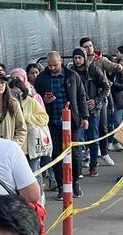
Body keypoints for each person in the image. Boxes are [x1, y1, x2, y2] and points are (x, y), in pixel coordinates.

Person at [34, 52, 88, 199]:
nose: (52, 68)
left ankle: (75, 182)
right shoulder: (41, 79)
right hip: (53, 123)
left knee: (76, 154)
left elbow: (81, 96)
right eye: (49, 65)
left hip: (73, 121)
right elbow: (35, 101)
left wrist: (85, 117)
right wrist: (44, 100)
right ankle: (61, 186)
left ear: (61, 61)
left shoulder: (72, 75)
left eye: (55, 65)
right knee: (57, 155)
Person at [8, 70, 52, 194]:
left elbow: (44, 118)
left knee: (34, 173)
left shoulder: (31, 101)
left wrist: (26, 117)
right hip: (16, 145)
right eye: (13, 92)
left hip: (31, 145)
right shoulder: (8, 104)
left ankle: (38, 198)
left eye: (18, 92)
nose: (16, 95)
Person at [69, 48, 111, 176]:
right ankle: (79, 169)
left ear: (84, 58)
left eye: (79, 58)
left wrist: (96, 100)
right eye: (75, 58)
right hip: (77, 111)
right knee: (78, 140)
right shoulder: (71, 72)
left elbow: (106, 86)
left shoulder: (93, 69)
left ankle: (93, 166)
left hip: (92, 110)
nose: (77, 60)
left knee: (93, 138)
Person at [0, 70, 27, 149]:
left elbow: (22, 129)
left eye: (2, 82)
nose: (0, 85)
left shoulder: (13, 103)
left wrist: (14, 146)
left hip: (8, 151)